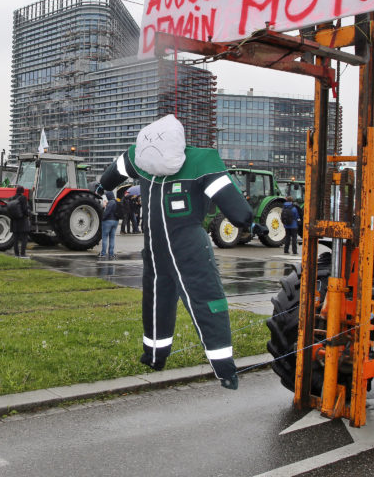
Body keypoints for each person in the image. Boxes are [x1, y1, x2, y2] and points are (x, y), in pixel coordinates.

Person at [101, 114, 258, 390]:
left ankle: (174, 359)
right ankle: (202, 365)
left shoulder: (143, 157)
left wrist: (102, 186)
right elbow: (231, 201)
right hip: (184, 248)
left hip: (159, 246)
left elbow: (116, 169)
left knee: (161, 301)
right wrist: (247, 220)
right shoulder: (201, 161)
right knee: (202, 301)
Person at [8, 185, 30, 258]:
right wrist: (28, 214)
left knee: (16, 239)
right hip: (22, 221)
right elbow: (24, 210)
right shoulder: (23, 198)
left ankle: (16, 254)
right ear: (22, 191)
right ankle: (23, 254)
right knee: (24, 238)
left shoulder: (11, 198)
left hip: (14, 221)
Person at [98, 190, 119, 260]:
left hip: (108, 221)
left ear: (108, 196)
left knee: (104, 237)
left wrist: (102, 218)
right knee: (112, 238)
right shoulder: (116, 202)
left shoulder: (110, 202)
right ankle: (111, 253)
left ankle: (103, 253)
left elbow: (107, 213)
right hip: (115, 221)